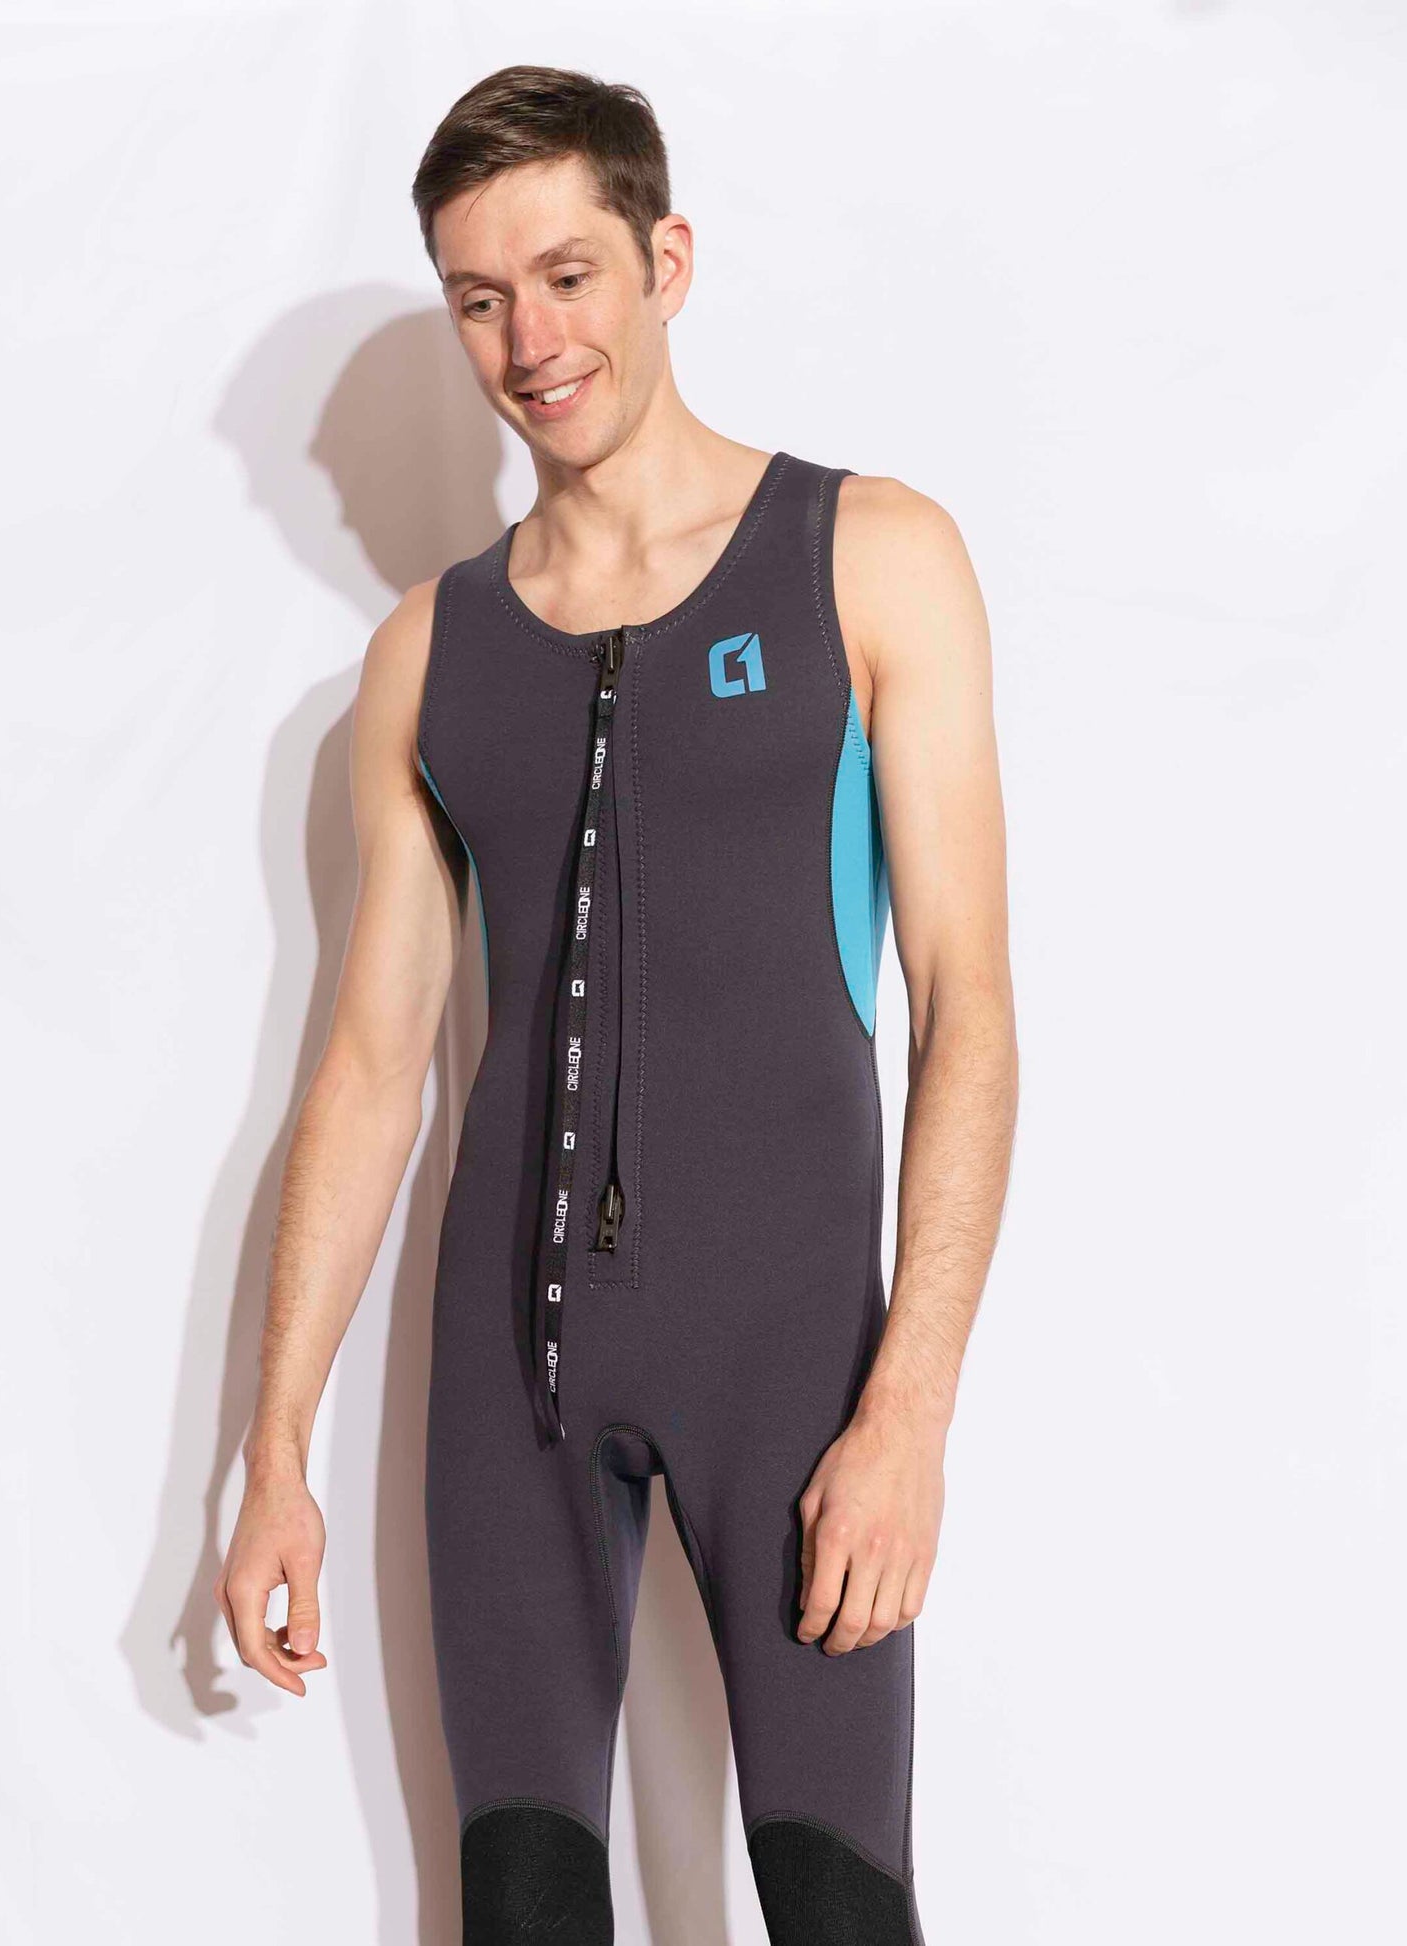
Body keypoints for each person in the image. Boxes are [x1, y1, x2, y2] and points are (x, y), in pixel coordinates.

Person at [217, 64, 1018, 1945]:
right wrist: (274, 1453)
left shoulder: (867, 557)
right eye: (480, 298)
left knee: (841, 1904)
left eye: (567, 277)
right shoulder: (428, 655)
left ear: (667, 261)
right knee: (516, 1906)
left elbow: (967, 1007)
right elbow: (370, 1068)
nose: (530, 341)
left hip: (796, 1371)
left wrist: (907, 1410)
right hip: (511, 1390)